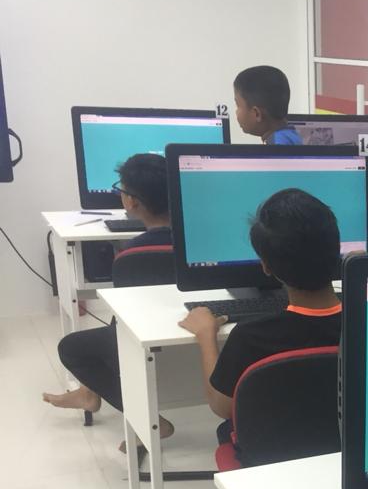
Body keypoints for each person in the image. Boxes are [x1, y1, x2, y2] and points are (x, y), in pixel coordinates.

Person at [179, 189, 341, 444]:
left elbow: (223, 407)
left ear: (266, 266)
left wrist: (206, 335)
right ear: (337, 250)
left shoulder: (250, 337)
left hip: (271, 456)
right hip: (347, 449)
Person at [42, 153, 177, 445]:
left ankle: (150, 421)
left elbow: (129, 319)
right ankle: (88, 393)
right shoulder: (201, 244)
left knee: (71, 348)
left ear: (131, 202)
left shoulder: (130, 256)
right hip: (191, 341)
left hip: (148, 348)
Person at [233, 65, 301, 145]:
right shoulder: (290, 135)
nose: (236, 112)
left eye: (238, 106)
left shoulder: (277, 145)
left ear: (257, 114)